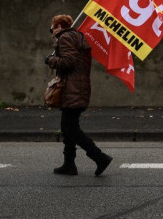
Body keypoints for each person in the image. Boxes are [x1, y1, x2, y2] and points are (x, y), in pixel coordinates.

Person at [45, 14, 113, 176]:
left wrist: (51, 60)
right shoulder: (76, 37)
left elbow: (69, 62)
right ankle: (69, 164)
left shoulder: (66, 38)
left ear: (60, 26)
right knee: (67, 127)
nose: (52, 32)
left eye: (52, 29)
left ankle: (100, 157)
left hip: (72, 89)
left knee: (71, 128)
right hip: (77, 88)